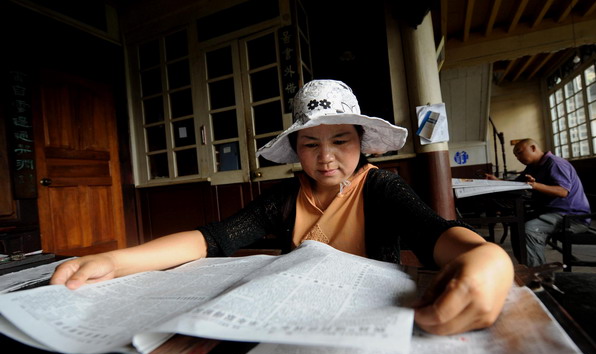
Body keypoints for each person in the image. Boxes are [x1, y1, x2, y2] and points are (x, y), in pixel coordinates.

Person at [51, 79, 514, 336]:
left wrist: (489, 260)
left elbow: (437, 233)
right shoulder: (284, 199)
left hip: (367, 320)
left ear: (361, 144)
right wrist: (116, 259)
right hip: (295, 318)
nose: (326, 156)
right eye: (310, 143)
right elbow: (212, 239)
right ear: (296, 150)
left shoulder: (382, 190)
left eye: (340, 141)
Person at [486, 138, 590, 267]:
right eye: (515, 155)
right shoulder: (532, 166)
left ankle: (537, 275)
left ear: (533, 148)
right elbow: (517, 184)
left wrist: (535, 185)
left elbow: (563, 191)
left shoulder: (555, 163)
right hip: (549, 212)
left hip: (571, 216)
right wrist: (496, 181)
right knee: (516, 223)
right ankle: (526, 266)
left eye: (519, 152)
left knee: (530, 230)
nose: (518, 157)